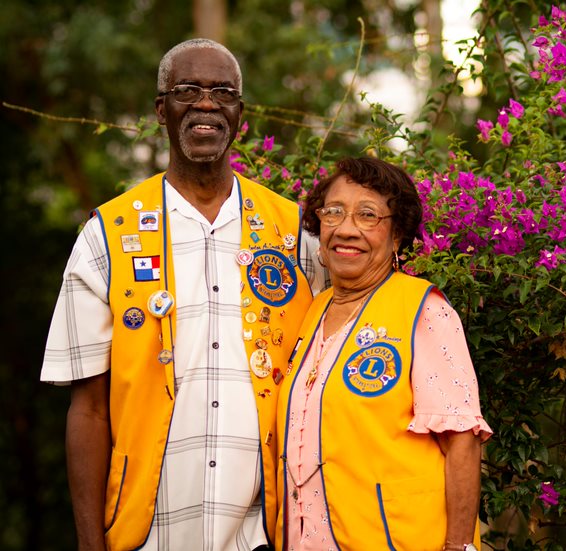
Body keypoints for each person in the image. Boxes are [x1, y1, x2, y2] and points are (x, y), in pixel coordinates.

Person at [40, 38, 325, 551]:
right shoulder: (108, 236)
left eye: (223, 92)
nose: (206, 103)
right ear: (161, 109)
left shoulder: (295, 232)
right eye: (187, 89)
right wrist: (88, 543)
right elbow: (88, 409)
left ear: (240, 112)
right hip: (148, 532)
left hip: (269, 529)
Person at [274, 157, 492, 551]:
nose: (346, 230)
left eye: (368, 215)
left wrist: (459, 547)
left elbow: (462, 440)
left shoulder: (423, 310)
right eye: (334, 212)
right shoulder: (313, 310)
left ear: (397, 236)